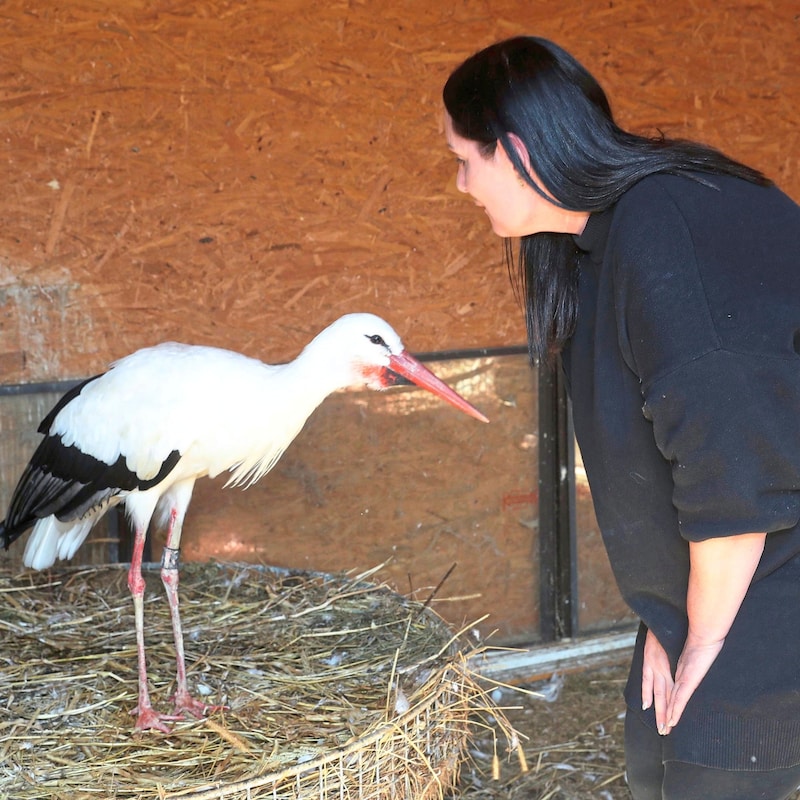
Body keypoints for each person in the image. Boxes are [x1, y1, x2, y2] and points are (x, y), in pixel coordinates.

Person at [442, 36, 800, 800]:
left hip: (768, 578)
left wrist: (703, 636)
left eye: (466, 159)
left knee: (713, 770)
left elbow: (733, 458)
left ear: (516, 151)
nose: (461, 183)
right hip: (721, 575)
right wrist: (667, 617)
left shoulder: (664, 224)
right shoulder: (596, 244)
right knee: (653, 766)